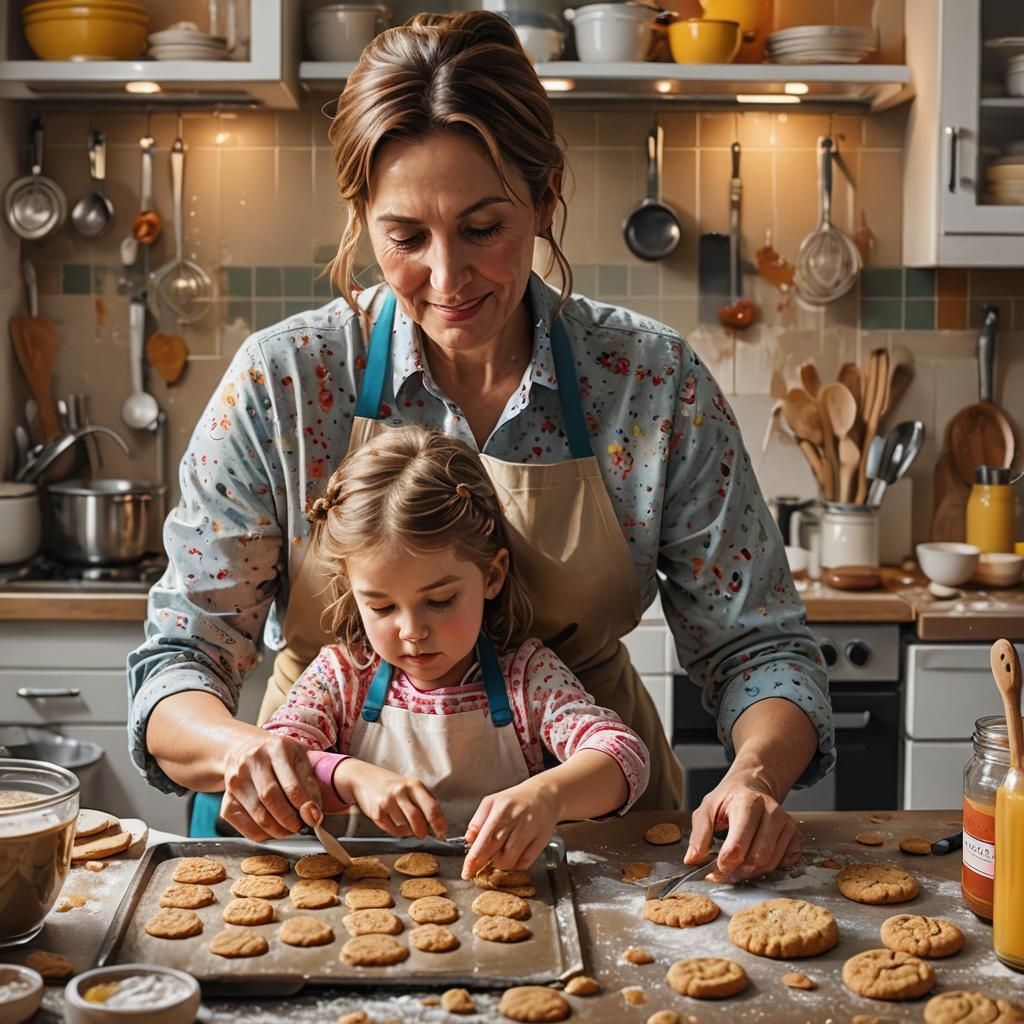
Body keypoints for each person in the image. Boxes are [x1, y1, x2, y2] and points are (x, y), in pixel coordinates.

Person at [128, 9, 834, 882]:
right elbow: (181, 658)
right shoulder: (284, 382)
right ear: (361, 218)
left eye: (483, 227)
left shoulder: (651, 384)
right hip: (327, 850)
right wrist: (243, 751)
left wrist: (755, 774)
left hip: (599, 850)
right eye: (405, 237)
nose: (447, 278)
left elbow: (757, 648)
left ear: (545, 198)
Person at [261, 424, 649, 876]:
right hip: (370, 903)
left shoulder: (528, 679)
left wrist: (549, 796)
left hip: (510, 891)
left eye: (440, 600)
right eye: (381, 606)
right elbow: (278, 760)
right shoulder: (342, 679)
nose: (411, 630)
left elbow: (624, 756)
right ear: (352, 590)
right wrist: (351, 777)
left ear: (492, 576)